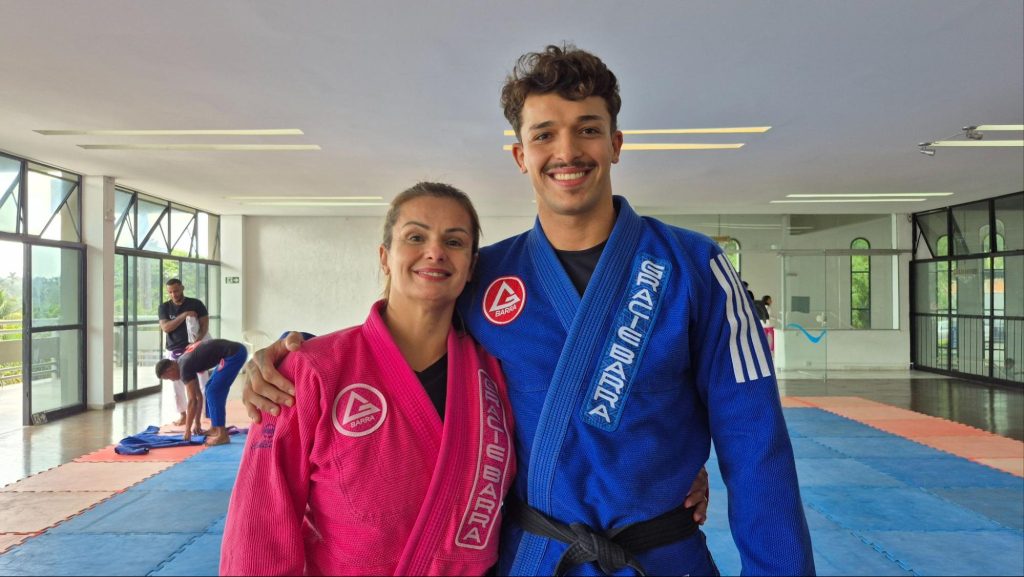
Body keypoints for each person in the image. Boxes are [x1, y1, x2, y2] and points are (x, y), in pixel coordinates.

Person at [246, 44, 810, 575]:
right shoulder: (485, 275)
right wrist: (293, 357)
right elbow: (398, 345)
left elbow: (757, 444)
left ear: (615, 143)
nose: (567, 152)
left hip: (660, 556)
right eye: (544, 135)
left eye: (588, 129)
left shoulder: (693, 267)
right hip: (536, 557)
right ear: (521, 155)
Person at [220, 183, 519, 575]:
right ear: (385, 257)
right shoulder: (309, 372)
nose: (435, 252)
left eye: (454, 241)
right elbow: (259, 529)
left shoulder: (497, 372)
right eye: (416, 237)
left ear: (471, 266)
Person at [155, 338, 246, 445]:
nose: (172, 380)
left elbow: (192, 401)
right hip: (232, 353)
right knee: (209, 388)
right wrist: (197, 422)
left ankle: (222, 434)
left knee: (213, 391)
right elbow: (198, 397)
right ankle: (215, 428)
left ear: (169, 370)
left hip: (234, 354)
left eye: (168, 378)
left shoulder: (184, 367)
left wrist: (187, 429)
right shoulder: (183, 362)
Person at [158, 278, 210, 426]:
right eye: (170, 292)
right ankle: (183, 414)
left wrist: (197, 342)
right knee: (177, 385)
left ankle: (205, 413)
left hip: (195, 348)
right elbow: (166, 327)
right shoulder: (164, 307)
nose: (173, 294)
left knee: (203, 382)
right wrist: (184, 315)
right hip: (174, 349)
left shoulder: (196, 304)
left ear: (182, 288)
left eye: (176, 291)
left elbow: (204, 325)